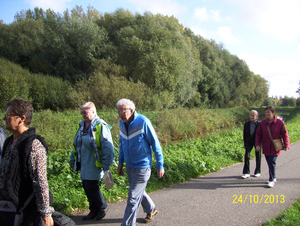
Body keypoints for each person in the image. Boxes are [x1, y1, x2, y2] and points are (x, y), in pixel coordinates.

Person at [0, 98, 54, 226]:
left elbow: (40, 181)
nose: (4, 118)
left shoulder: (34, 145)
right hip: (7, 209)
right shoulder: (8, 143)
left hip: (26, 212)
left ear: (21, 119)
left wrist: (46, 213)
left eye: (9, 115)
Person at [116, 98, 164, 226]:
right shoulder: (122, 123)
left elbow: (155, 143)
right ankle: (151, 209)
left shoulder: (143, 122)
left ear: (131, 110)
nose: (120, 115)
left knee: (132, 197)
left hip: (143, 166)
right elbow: (122, 144)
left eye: (123, 111)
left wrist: (160, 164)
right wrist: (120, 162)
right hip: (130, 166)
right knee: (138, 191)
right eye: (118, 112)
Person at [69, 102, 114, 221]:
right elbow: (76, 143)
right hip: (83, 161)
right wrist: (72, 158)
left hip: (95, 162)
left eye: (86, 112)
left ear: (94, 112)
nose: (83, 114)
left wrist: (106, 164)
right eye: (82, 112)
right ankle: (93, 210)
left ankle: (102, 207)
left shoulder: (100, 125)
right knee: (85, 184)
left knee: (91, 185)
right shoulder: (81, 125)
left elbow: (107, 146)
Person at [255, 105, 290, 188]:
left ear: (273, 113)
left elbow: (285, 134)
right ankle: (273, 177)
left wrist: (286, 144)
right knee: (269, 162)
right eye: (266, 112)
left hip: (275, 147)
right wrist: (257, 144)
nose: (267, 113)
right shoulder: (263, 123)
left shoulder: (279, 123)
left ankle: (271, 180)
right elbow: (258, 134)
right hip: (266, 146)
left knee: (272, 161)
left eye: (268, 112)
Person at [242, 110, 261, 179]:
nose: (251, 117)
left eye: (253, 115)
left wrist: (260, 144)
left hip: (257, 142)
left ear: (257, 116)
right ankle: (246, 172)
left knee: (258, 156)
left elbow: (262, 135)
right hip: (249, 142)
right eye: (250, 115)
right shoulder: (246, 124)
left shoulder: (259, 124)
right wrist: (245, 143)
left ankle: (257, 171)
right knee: (247, 156)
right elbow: (244, 134)